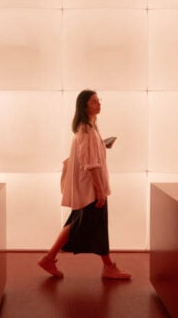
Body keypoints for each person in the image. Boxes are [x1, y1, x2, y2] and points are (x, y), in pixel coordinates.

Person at [38, 89, 130, 280]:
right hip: (90, 188)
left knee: (80, 223)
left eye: (99, 100)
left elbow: (87, 155)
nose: (99, 104)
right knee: (86, 224)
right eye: (94, 101)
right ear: (85, 105)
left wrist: (102, 145)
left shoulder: (89, 127)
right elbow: (91, 164)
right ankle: (107, 266)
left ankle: (50, 258)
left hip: (87, 187)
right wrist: (99, 190)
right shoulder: (87, 130)